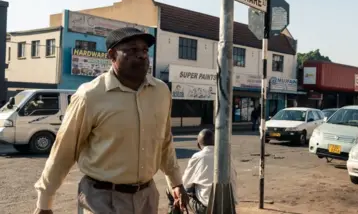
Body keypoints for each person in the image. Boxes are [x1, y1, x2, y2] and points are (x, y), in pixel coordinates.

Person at [33, 27, 189, 214]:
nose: (141, 56)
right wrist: (44, 202)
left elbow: (165, 142)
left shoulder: (161, 92)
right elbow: (64, 149)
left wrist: (176, 182)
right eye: (132, 50)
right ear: (112, 55)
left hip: (146, 197)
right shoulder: (90, 95)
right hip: (101, 199)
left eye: (144, 50)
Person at [167, 129, 237, 214]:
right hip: (229, 207)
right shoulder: (227, 155)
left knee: (174, 189)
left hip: (208, 209)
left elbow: (184, 184)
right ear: (215, 142)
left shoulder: (198, 157)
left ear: (198, 145)